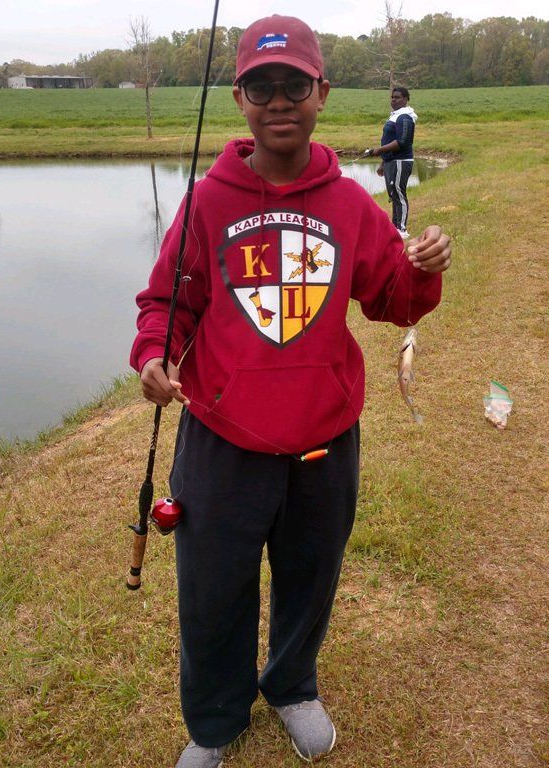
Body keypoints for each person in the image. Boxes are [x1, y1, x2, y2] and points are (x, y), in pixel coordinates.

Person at [130, 16, 451, 768]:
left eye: (294, 85)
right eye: (261, 86)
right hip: (221, 440)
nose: (279, 101)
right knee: (213, 594)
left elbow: (392, 299)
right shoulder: (209, 201)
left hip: (323, 442)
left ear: (321, 93)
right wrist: (154, 358)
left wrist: (426, 266)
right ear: (240, 97)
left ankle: (292, 685)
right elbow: (164, 306)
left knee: (311, 579)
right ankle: (214, 723)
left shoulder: (347, 203)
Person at [366, 87, 416, 238]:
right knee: (393, 193)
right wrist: (383, 162)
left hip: (401, 160)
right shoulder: (394, 116)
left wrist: (379, 150)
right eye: (392, 97)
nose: (393, 100)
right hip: (391, 161)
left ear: (406, 99)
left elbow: (403, 142)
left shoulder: (405, 117)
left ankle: (401, 229)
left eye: (397, 97)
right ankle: (394, 228)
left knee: (399, 193)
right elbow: (388, 139)